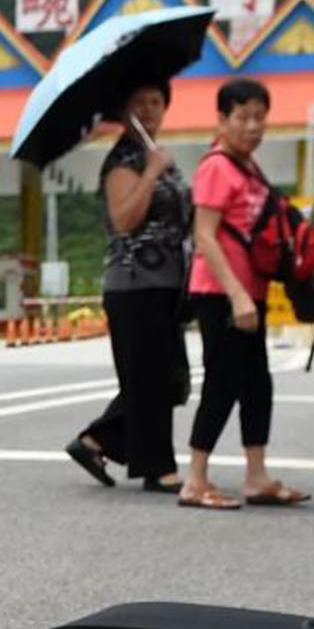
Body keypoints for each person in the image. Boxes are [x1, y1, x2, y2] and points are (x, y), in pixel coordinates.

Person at [179, 78, 308, 510]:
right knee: (223, 381)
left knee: (257, 385)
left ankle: (257, 476)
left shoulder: (249, 168)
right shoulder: (216, 166)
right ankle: (195, 479)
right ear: (222, 120)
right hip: (220, 292)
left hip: (248, 291)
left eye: (260, 117)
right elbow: (205, 235)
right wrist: (236, 296)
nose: (252, 126)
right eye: (242, 117)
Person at [66, 80, 188, 494]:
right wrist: (152, 171)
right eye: (140, 103)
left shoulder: (159, 154)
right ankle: (158, 467)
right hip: (134, 283)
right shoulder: (124, 160)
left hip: (168, 281)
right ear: (125, 111)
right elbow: (125, 219)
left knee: (165, 377)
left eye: (156, 102)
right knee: (149, 378)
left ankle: (97, 441)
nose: (150, 110)